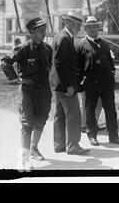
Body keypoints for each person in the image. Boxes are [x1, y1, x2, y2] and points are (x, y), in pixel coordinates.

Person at [1, 17, 52, 170]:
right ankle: (24, 159)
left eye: (44, 30)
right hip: (27, 91)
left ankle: (34, 148)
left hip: (44, 91)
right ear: (33, 32)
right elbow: (5, 62)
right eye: (41, 30)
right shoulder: (23, 48)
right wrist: (17, 79)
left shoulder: (47, 49)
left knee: (41, 120)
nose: (44, 33)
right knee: (27, 123)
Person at [76, 15, 119, 146]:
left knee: (111, 110)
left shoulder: (104, 43)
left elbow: (111, 61)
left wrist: (112, 74)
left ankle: (114, 136)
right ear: (85, 29)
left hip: (107, 84)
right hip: (91, 84)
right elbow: (78, 67)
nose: (93, 29)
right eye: (90, 27)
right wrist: (80, 84)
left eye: (95, 27)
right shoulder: (81, 45)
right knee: (90, 110)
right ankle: (92, 135)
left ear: (99, 28)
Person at [49, 11, 90, 155]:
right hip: (65, 85)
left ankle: (59, 145)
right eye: (78, 25)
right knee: (73, 114)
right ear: (69, 23)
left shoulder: (60, 36)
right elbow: (60, 64)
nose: (80, 28)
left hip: (57, 84)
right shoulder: (65, 38)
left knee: (59, 114)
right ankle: (73, 146)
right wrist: (68, 85)